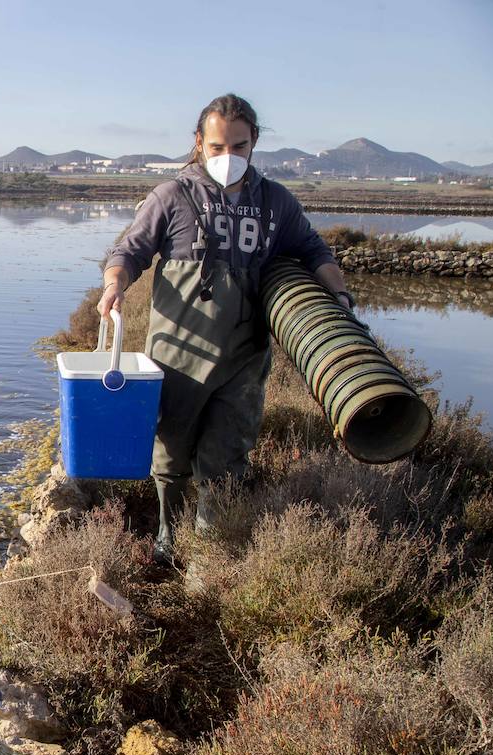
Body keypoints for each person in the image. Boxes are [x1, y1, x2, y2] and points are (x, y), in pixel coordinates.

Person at [99, 94, 353, 561]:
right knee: (170, 458)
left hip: (243, 358)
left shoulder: (276, 203)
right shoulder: (172, 196)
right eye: (217, 147)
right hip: (177, 357)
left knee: (226, 462)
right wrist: (115, 284)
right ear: (199, 143)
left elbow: (316, 252)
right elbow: (129, 250)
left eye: (238, 146)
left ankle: (209, 558)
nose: (228, 157)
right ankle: (168, 543)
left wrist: (338, 297)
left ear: (254, 141)